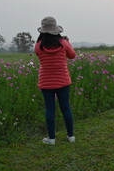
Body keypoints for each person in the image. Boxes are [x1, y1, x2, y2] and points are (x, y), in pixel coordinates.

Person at [35, 16, 76, 145]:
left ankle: (51, 139)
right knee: (66, 108)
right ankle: (71, 137)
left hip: (46, 82)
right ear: (56, 30)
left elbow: (42, 57)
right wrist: (67, 42)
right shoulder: (63, 43)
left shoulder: (38, 46)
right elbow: (72, 56)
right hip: (63, 81)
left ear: (42, 31)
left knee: (49, 109)